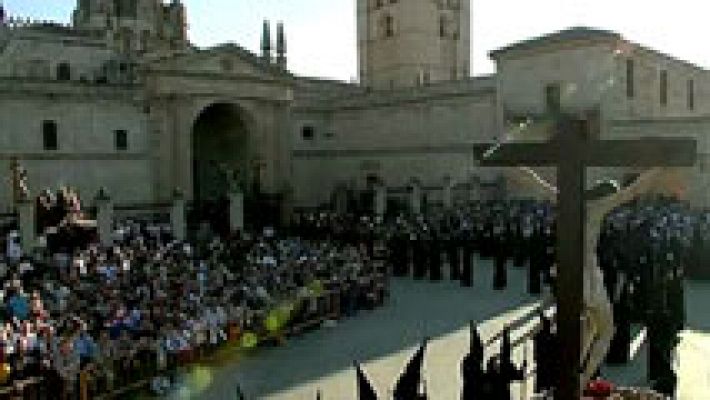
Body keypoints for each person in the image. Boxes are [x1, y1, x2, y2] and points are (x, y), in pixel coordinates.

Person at [509, 165, 687, 386]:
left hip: (568, 272)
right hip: (588, 273)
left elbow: (540, 185)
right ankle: (581, 377)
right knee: (605, 330)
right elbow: (633, 190)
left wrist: (516, 168)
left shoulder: (568, 203)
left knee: (593, 327)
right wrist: (658, 170)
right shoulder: (597, 207)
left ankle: (577, 374)